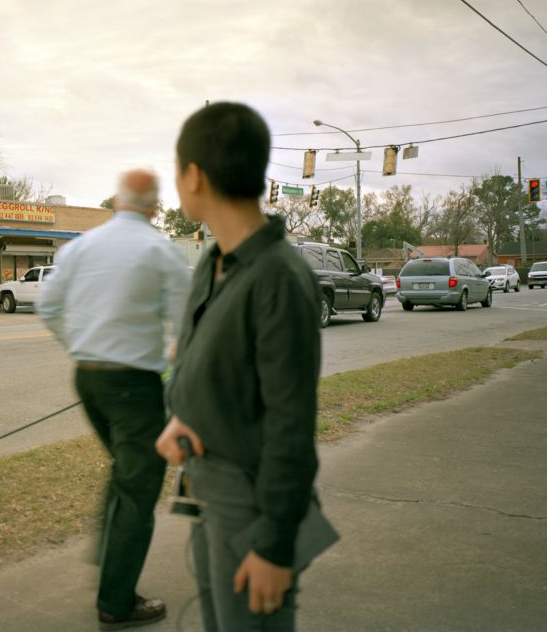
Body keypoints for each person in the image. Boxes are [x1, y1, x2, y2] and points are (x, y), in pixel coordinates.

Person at [155, 102, 330, 631]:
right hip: (207, 484)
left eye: (176, 170)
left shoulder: (278, 277)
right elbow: (209, 366)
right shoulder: (214, 261)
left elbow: (291, 426)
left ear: (195, 176)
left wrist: (275, 547)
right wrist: (185, 418)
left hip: (252, 504)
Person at [38, 169, 190, 630]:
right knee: (138, 486)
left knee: (126, 473)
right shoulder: (160, 250)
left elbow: (48, 307)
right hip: (134, 387)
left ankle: (109, 555)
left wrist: (83, 345)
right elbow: (187, 327)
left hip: (88, 380)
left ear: (117, 201)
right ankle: (116, 602)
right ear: (154, 206)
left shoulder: (81, 246)